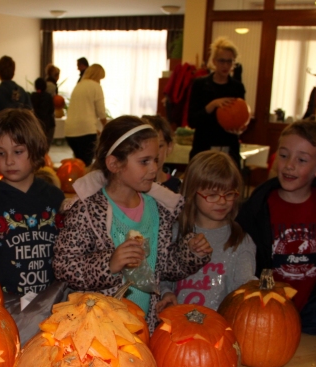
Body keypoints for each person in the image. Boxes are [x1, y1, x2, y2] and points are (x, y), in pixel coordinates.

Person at [53, 116, 212, 333]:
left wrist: (190, 253)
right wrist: (108, 264)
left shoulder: (160, 210)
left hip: (145, 328)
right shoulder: (87, 211)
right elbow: (65, 266)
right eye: (144, 161)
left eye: (155, 160)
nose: (153, 169)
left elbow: (163, 267)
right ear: (114, 163)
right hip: (99, 329)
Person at [237, 120, 316, 335]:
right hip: (267, 305)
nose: (289, 165)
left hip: (315, 307)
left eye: (302, 160)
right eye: (284, 155)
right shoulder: (257, 207)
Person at [0, 108, 65, 297]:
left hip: (53, 305)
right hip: (6, 308)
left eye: (18, 151)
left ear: (36, 149)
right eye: (1, 153)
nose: (9, 161)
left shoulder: (55, 198)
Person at [172, 151, 257, 310]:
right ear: (191, 193)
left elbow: (245, 288)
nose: (222, 201)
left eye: (229, 194)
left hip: (219, 327)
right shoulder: (175, 233)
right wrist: (165, 293)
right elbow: (164, 277)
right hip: (177, 323)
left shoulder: (241, 241)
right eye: (212, 195)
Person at [188, 37, 246, 168]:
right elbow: (192, 121)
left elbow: (241, 117)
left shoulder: (237, 87)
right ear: (214, 61)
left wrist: (240, 128)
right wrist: (212, 105)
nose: (225, 65)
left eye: (229, 61)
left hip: (229, 146)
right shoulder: (200, 85)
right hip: (204, 146)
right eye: (222, 61)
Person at [64, 64, 107, 166]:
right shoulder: (96, 86)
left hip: (70, 131)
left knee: (79, 163)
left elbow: (79, 110)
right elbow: (101, 111)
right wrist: (107, 127)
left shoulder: (79, 85)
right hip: (85, 132)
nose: (100, 81)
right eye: (100, 78)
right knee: (86, 164)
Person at [0, 56, 32, 131]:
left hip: (2, 135)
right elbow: (30, 119)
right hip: (21, 134)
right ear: (13, 72)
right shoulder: (23, 92)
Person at [142, 115, 181, 193]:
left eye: (159, 146)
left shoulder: (178, 187)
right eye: (145, 147)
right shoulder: (132, 187)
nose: (153, 153)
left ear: (169, 147)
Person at [30, 78, 56, 146]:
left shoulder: (32, 96)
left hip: (36, 125)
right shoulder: (48, 96)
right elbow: (52, 110)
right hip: (48, 125)